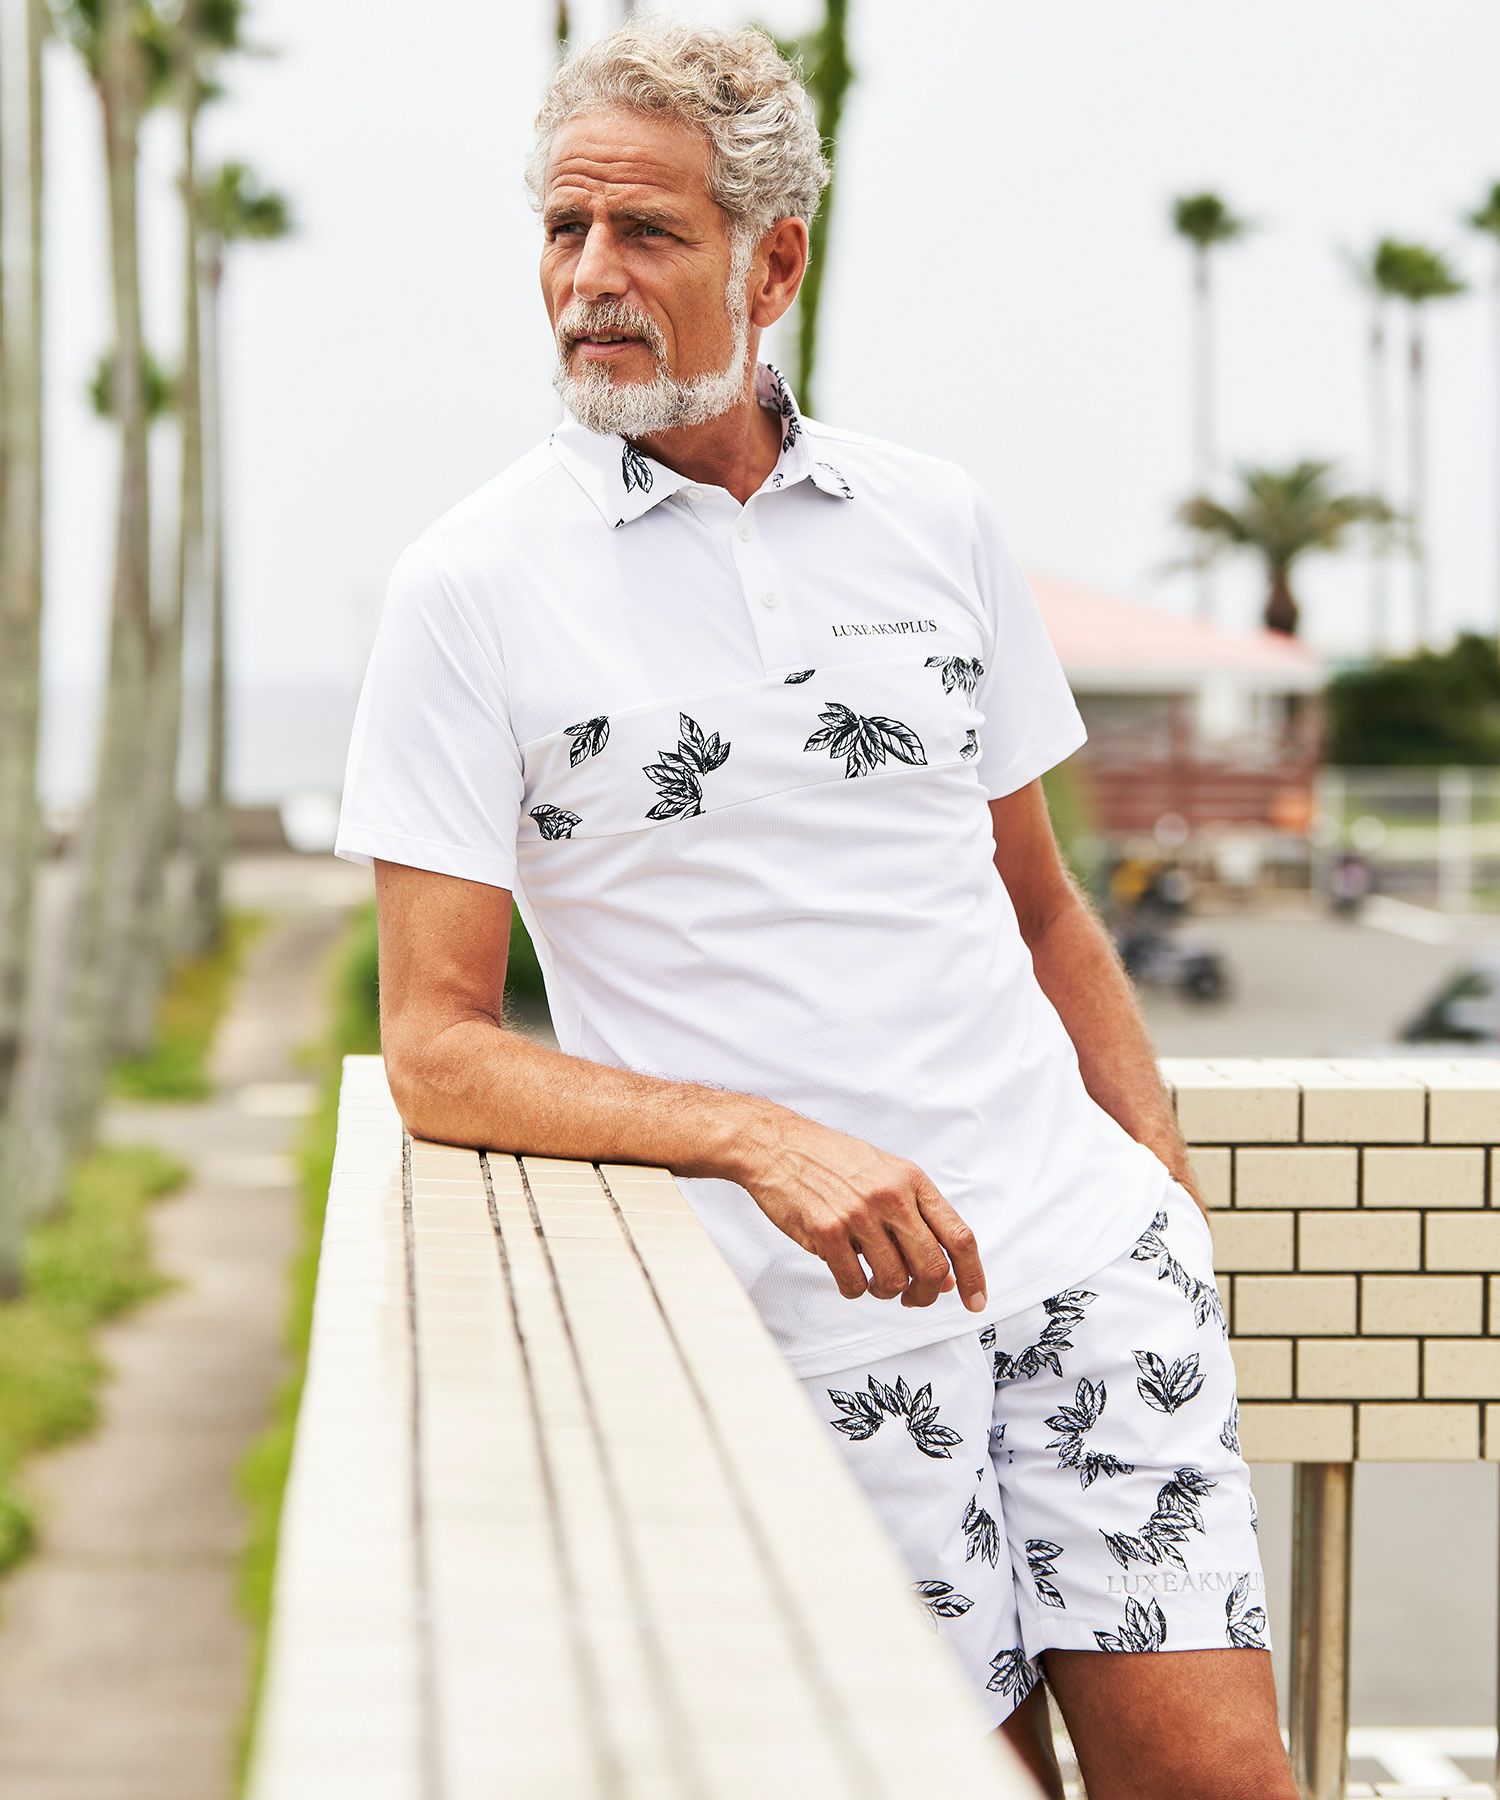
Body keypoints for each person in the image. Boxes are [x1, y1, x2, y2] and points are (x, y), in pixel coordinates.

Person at [333, 19, 1294, 1798]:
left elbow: (1042, 909)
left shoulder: (937, 522)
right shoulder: (468, 587)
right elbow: (436, 1047)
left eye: (648, 233)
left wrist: (1154, 1192)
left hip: (1082, 1272)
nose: (590, 279)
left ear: (772, 265)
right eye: (564, 229)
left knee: (1220, 1779)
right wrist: (758, 1139)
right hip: (802, 1329)